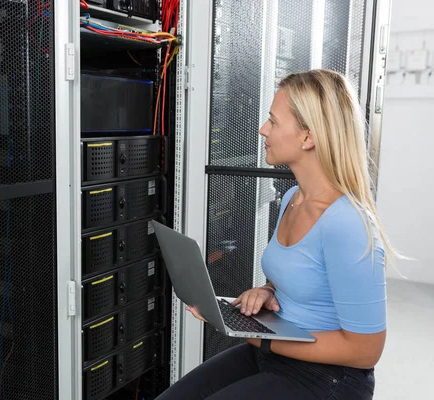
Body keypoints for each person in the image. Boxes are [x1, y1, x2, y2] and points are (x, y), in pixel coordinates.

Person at [157, 69, 392, 400]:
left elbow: (365, 351)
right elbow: (304, 280)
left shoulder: (347, 224)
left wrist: (261, 337)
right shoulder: (292, 199)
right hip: (272, 355)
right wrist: (267, 291)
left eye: (273, 121)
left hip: (328, 379)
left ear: (307, 137)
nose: (262, 129)